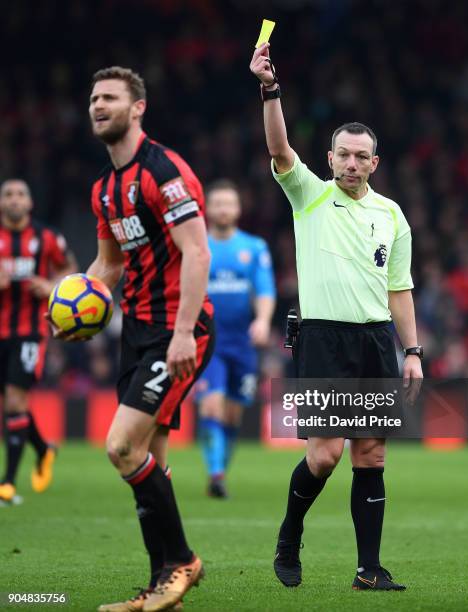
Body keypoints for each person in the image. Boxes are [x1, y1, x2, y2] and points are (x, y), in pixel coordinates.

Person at [250, 43, 424, 591]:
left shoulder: (392, 215)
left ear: (375, 162)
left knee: (370, 454)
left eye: (361, 156)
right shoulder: (309, 196)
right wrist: (270, 89)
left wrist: (413, 351)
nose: (351, 163)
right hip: (323, 339)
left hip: (376, 341)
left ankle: (368, 570)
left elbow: (399, 289)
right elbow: (279, 149)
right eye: (342, 154)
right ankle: (289, 534)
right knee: (324, 457)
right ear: (329, 159)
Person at [52, 66, 215, 612]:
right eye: (93, 98)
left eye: (111, 98)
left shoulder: (163, 171)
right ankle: (158, 586)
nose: (98, 105)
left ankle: (184, 561)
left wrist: (185, 331)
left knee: (121, 447)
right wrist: (69, 304)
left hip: (178, 329)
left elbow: (196, 251)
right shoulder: (102, 189)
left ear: (137, 107)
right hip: (138, 333)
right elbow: (108, 264)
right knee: (148, 460)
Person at [197, 179, 275, 498]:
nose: (224, 209)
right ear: (207, 209)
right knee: (211, 406)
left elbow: (265, 289)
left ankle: (220, 471)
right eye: (218, 203)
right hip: (207, 340)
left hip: (242, 344)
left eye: (229, 203)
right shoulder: (197, 245)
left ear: (238, 210)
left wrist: (263, 320)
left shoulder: (253, 248)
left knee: (233, 414)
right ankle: (216, 474)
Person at [0, 179, 77, 504]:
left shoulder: (46, 237)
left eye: (21, 195)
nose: (15, 200)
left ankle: (8, 484)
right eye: (8, 194)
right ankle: (44, 449)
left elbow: (70, 270)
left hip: (30, 332)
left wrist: (51, 286)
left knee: (15, 402)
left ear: (30, 203)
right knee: (12, 405)